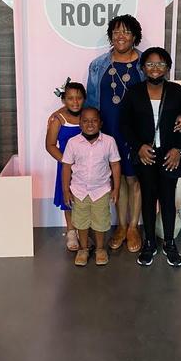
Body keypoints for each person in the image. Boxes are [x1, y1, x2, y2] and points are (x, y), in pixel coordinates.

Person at [87, 14, 181, 254]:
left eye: (126, 32)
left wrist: (180, 115)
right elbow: (91, 102)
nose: (121, 36)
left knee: (136, 179)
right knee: (117, 178)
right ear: (111, 36)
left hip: (138, 135)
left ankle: (133, 227)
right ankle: (120, 226)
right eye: (116, 31)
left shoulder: (146, 63)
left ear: (135, 37)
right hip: (109, 131)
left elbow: (166, 94)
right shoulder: (98, 65)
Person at [120, 47, 181, 267]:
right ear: (143, 68)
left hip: (170, 154)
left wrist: (178, 149)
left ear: (167, 68)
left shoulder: (177, 91)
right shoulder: (134, 93)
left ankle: (169, 243)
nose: (155, 68)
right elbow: (124, 124)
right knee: (148, 199)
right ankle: (150, 243)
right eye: (150, 64)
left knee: (168, 199)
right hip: (146, 155)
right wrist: (138, 147)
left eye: (160, 64)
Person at [62, 107, 121, 266]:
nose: (90, 124)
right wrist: (66, 190)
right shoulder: (73, 143)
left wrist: (116, 188)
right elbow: (66, 167)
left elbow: (115, 165)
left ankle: (100, 249)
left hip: (101, 190)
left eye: (94, 121)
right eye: (86, 121)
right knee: (81, 222)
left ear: (100, 123)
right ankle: (83, 249)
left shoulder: (109, 142)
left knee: (100, 221)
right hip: (79, 191)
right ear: (80, 124)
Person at [45, 81, 86, 251]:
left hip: (87, 167)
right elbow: (50, 145)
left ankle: (85, 231)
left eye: (79, 98)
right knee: (68, 198)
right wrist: (67, 161)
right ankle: (71, 231)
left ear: (84, 99)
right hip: (67, 166)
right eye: (70, 98)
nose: (75, 102)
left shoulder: (88, 116)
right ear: (63, 100)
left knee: (85, 197)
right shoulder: (58, 119)